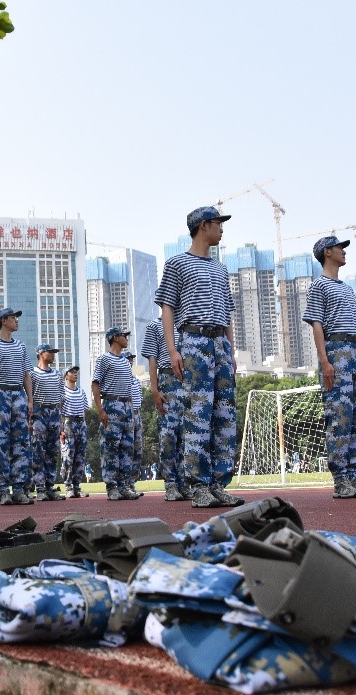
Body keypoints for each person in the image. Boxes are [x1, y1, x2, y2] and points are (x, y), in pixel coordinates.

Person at [155, 207, 244, 508]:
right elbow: (167, 307)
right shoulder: (177, 264)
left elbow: (228, 312)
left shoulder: (220, 269)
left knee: (225, 416)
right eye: (219, 224)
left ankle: (219, 483)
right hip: (193, 341)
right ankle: (199, 485)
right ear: (204, 225)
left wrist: (231, 350)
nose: (222, 229)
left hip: (220, 343)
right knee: (198, 415)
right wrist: (172, 349)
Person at [303, 235, 356, 500]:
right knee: (340, 416)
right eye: (340, 248)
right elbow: (316, 325)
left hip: (355, 350)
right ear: (327, 252)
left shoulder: (347, 288)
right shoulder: (319, 286)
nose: (344, 252)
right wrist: (325, 361)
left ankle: (354, 475)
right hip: (336, 351)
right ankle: (340, 479)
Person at [0, 307, 35, 506]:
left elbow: (27, 374)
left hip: (18, 393)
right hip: (0, 393)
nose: (17, 321)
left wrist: (30, 400)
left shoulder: (20, 346)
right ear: (4, 321)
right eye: (13, 318)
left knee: (21, 443)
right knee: (0, 444)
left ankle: (19, 488)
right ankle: (2, 489)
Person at [141, 316, 188, 500]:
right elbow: (152, 359)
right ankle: (170, 484)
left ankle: (184, 483)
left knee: (186, 436)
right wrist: (154, 390)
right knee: (168, 435)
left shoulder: (185, 324)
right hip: (167, 381)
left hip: (187, 382)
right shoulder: (155, 325)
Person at [92, 327, 140, 501]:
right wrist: (100, 409)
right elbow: (95, 384)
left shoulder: (125, 361)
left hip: (127, 406)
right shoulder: (104, 359)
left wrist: (132, 412)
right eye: (123, 336)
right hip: (112, 404)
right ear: (114, 338)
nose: (126, 338)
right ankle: (112, 486)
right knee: (111, 448)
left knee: (127, 447)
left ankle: (124, 485)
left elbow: (129, 389)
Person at [30, 343, 66, 501]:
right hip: (38, 412)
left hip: (54, 413)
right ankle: (40, 487)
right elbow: (28, 398)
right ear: (40, 354)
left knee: (53, 451)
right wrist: (29, 420)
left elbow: (61, 399)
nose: (53, 355)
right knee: (38, 451)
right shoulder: (32, 374)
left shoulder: (57, 374)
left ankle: (50, 486)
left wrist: (61, 422)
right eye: (50, 352)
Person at [59, 366, 89, 498]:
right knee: (68, 456)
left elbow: (84, 411)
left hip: (80, 423)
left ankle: (77, 486)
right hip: (68, 423)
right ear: (66, 376)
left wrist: (84, 426)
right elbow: (59, 412)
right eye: (72, 372)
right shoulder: (62, 392)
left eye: (76, 372)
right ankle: (68, 486)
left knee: (80, 456)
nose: (75, 374)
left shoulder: (81, 392)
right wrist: (61, 431)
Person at [125, 350, 146, 497]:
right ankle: (124, 483)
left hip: (137, 415)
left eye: (131, 359)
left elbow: (140, 402)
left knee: (137, 451)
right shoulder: (119, 381)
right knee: (126, 450)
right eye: (127, 359)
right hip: (126, 415)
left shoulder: (136, 381)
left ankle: (131, 483)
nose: (130, 361)